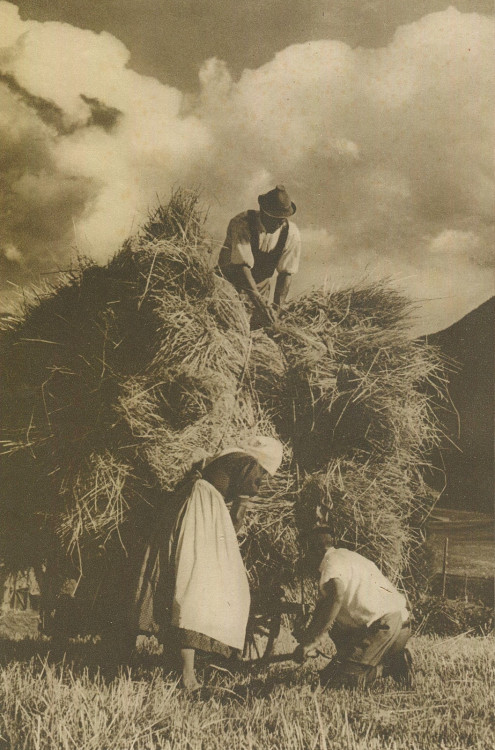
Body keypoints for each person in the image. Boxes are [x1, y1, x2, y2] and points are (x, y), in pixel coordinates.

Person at [131, 436, 284, 691]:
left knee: (187, 584)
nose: (263, 477)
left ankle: (181, 666)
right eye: (265, 471)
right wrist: (245, 503)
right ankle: (187, 676)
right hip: (202, 509)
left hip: (195, 505)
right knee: (196, 588)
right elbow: (242, 507)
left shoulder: (230, 456)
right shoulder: (247, 463)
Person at [294, 526, 414, 689]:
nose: (303, 558)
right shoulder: (348, 556)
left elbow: (336, 596)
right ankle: (377, 660)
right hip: (401, 626)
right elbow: (323, 609)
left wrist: (314, 640)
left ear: (315, 548)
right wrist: (308, 639)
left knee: (338, 683)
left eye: (304, 552)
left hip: (385, 626)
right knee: (327, 677)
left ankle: (389, 667)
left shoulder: (331, 562)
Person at [218, 185, 301, 327]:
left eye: (282, 218)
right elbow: (241, 266)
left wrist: (276, 310)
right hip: (228, 285)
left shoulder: (291, 233)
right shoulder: (241, 223)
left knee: (259, 328)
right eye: (275, 218)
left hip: (260, 290)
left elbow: (286, 274)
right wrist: (260, 304)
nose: (279, 223)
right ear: (263, 211)